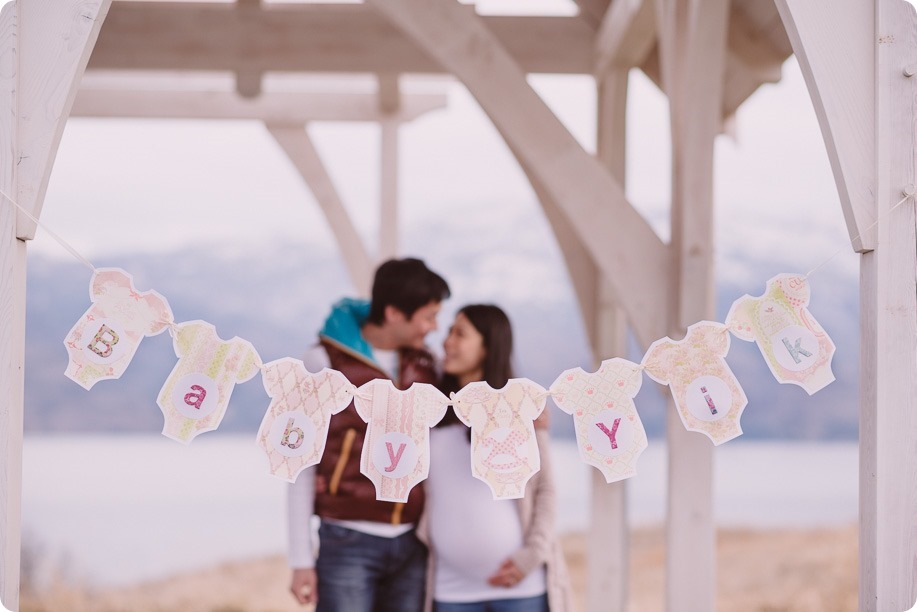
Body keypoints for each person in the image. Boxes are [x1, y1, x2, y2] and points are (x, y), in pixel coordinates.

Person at [288, 257, 450, 612]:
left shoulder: (427, 364)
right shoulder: (322, 361)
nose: (434, 327)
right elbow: (298, 462)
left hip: (413, 542)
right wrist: (300, 557)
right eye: (428, 316)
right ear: (394, 313)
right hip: (346, 539)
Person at [420, 304, 572, 612]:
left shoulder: (522, 410)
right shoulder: (431, 412)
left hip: (522, 587)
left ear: (489, 346)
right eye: (449, 332)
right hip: (451, 589)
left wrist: (532, 555)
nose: (447, 342)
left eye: (459, 334)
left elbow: (546, 490)